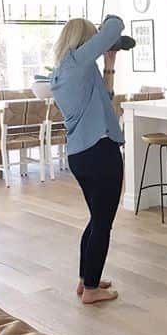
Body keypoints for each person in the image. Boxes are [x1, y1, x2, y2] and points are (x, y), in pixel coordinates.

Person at [51, 15, 125, 304]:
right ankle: (92, 290)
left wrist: (109, 66)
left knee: (97, 219)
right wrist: (107, 21)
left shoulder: (67, 70)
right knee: (103, 222)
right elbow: (116, 26)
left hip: (82, 153)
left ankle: (86, 279)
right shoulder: (77, 62)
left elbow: (105, 99)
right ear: (84, 39)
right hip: (99, 151)